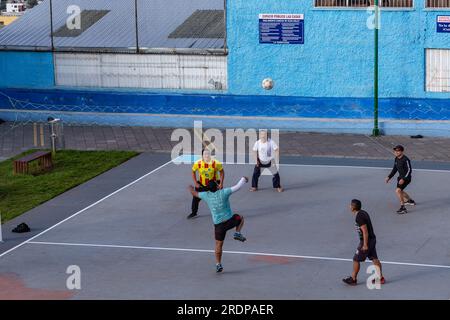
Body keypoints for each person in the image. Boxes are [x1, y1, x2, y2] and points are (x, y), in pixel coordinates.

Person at [188, 177, 248, 273]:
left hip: (219, 226)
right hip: (230, 221)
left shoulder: (206, 195)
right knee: (240, 218)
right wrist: (244, 179)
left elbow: (194, 193)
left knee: (218, 245)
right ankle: (237, 233)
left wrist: (190, 188)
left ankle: (218, 264)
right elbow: (238, 186)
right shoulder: (224, 192)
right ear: (217, 186)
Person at [343, 199, 385, 286]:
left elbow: (365, 231)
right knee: (374, 258)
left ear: (353, 207)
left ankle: (353, 279)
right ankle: (380, 278)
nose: (349, 206)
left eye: (351, 205)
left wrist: (365, 244)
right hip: (372, 239)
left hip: (367, 241)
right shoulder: (363, 212)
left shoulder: (359, 217)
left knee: (356, 259)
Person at [187, 149, 224, 219]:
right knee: (195, 198)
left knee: (216, 198)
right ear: (202, 155)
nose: (206, 155)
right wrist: (195, 183)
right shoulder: (198, 163)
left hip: (213, 184)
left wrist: (221, 184)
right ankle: (194, 212)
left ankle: (220, 212)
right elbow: (193, 171)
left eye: (208, 154)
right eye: (205, 154)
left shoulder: (216, 163)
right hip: (202, 184)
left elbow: (222, 172)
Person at [385, 145, 415, 214]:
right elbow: (395, 169)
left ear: (402, 151)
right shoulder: (396, 158)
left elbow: (409, 170)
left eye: (398, 151)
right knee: (400, 191)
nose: (396, 152)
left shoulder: (406, 159)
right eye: (395, 151)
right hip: (400, 178)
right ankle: (410, 201)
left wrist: (404, 179)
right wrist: (389, 177)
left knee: (398, 190)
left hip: (406, 178)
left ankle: (403, 208)